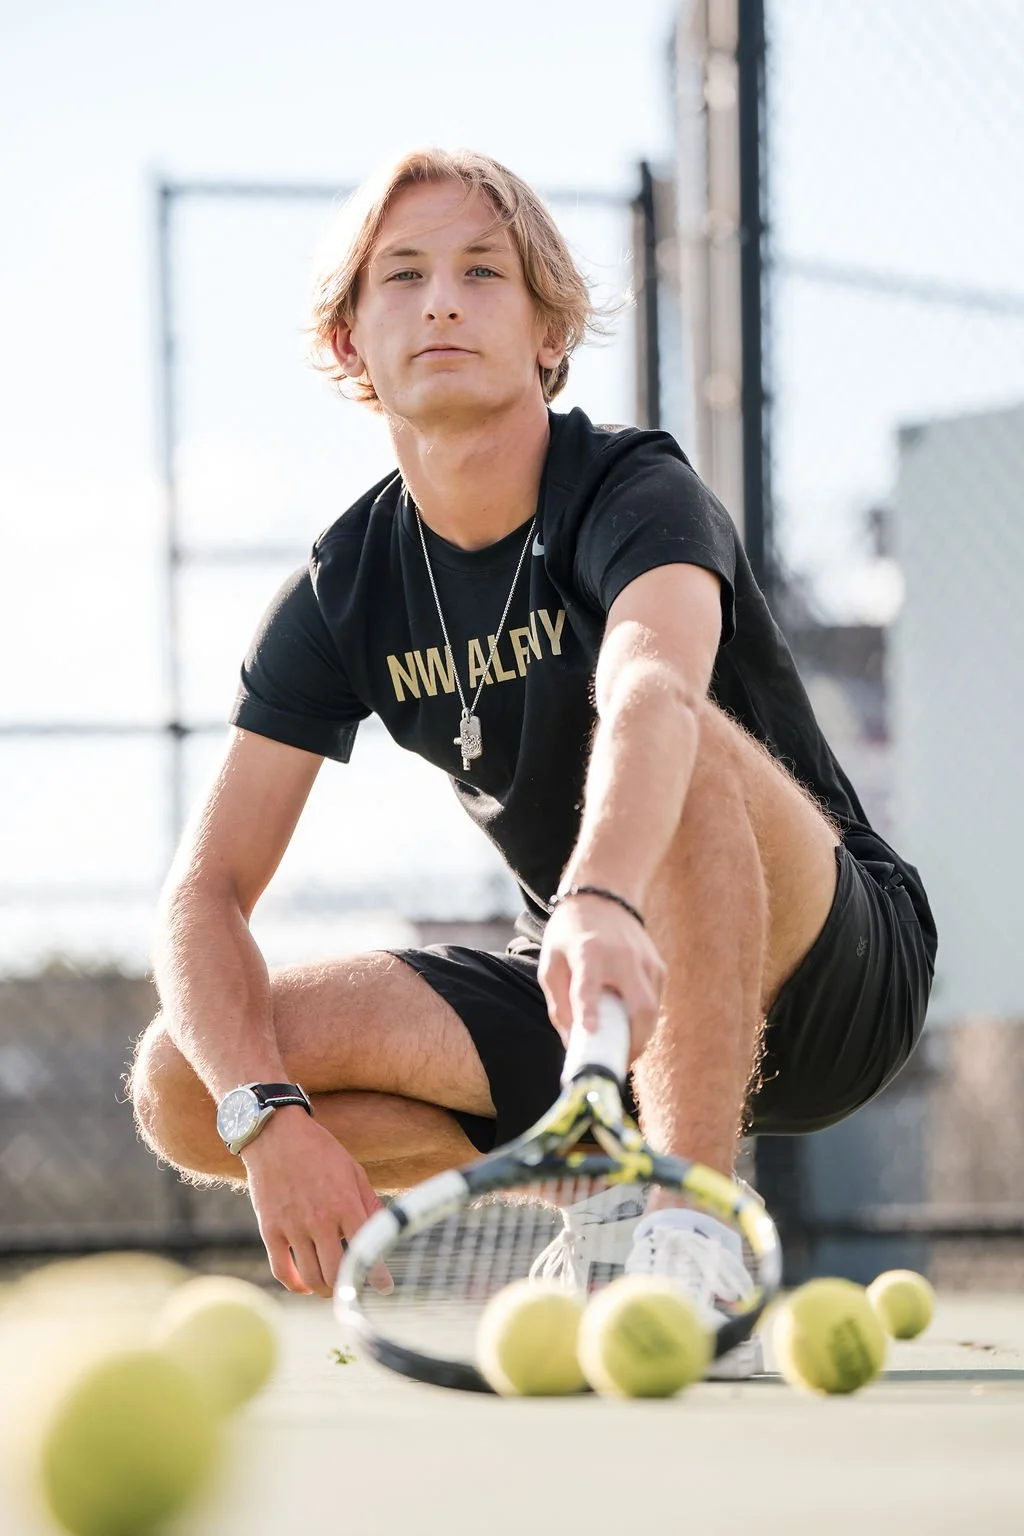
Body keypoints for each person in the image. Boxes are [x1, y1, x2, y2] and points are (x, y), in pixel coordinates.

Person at [128, 148, 936, 1378]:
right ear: (349, 341)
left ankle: (688, 1235)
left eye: (480, 272)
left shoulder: (631, 486)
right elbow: (205, 896)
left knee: (687, 746)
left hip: (829, 963)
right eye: (401, 276)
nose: (441, 300)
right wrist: (264, 1116)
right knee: (184, 1080)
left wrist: (602, 894)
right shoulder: (342, 589)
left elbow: (653, 688)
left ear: (549, 333)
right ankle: (600, 1209)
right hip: (591, 986)